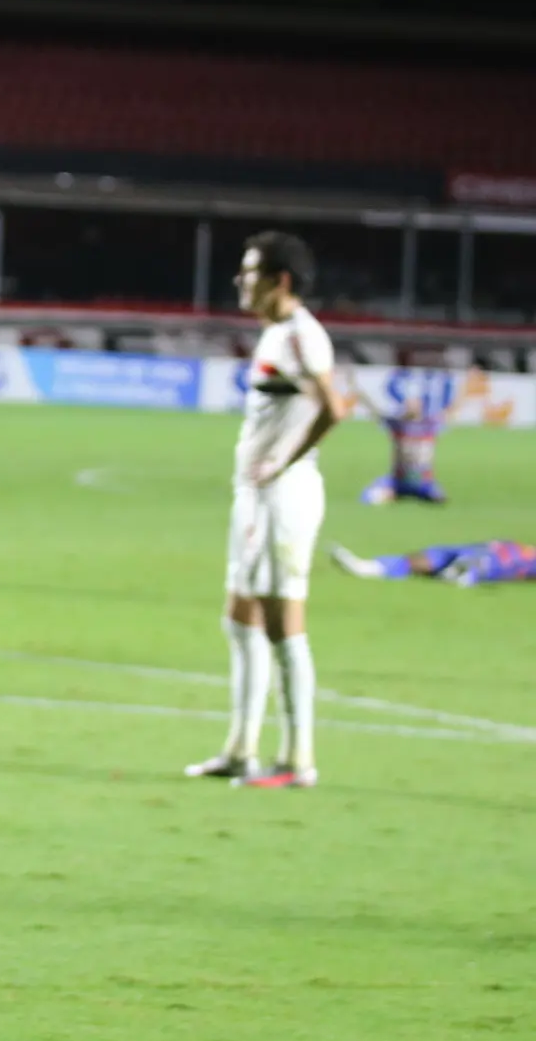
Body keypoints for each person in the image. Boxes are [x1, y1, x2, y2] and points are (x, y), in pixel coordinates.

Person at [186, 232, 349, 791]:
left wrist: (283, 461)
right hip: (256, 498)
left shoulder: (301, 336)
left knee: (283, 625)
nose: (241, 281)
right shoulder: (277, 333)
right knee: (239, 617)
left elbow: (333, 408)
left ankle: (298, 761)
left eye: (250, 272)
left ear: (280, 280)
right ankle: (240, 749)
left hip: (284, 499)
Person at [351, 383, 451, 506]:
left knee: (439, 498)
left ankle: (403, 495)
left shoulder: (429, 425)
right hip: (398, 481)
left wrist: (466, 392)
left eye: (414, 404)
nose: (411, 407)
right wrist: (357, 391)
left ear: (420, 406)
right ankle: (393, 494)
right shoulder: (398, 424)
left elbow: (450, 413)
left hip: (423, 481)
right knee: (367, 498)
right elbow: (375, 411)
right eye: (409, 404)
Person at [332, 540, 536, 585]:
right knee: (427, 557)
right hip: (485, 548)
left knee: (481, 561)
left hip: (497, 559)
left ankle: (463, 573)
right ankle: (368, 568)